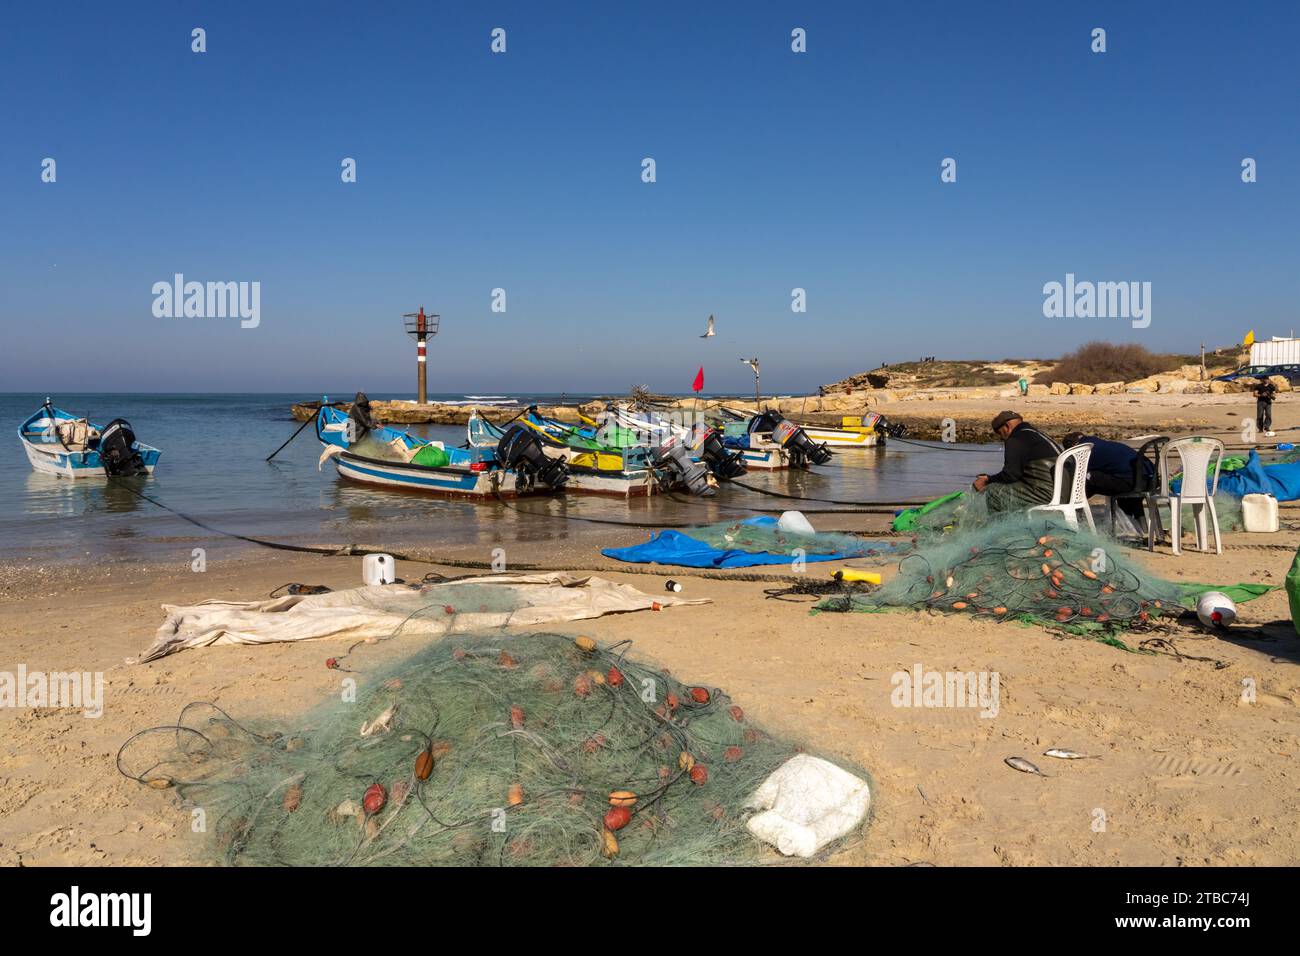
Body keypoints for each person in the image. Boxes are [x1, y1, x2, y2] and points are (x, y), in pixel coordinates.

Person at [971, 411, 1062, 514]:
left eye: (1000, 434)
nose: (1002, 438)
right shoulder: (1038, 435)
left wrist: (987, 481)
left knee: (993, 492)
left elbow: (1010, 475)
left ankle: (998, 527)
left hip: (1046, 495)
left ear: (1006, 426)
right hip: (1065, 493)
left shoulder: (1016, 438)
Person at [1062, 432, 1151, 528]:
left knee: (1087, 479)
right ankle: (1143, 530)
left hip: (1131, 483)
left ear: (1072, 447)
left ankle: (1074, 518)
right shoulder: (1098, 443)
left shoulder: (1083, 450)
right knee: (1098, 479)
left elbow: (1079, 475)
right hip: (1149, 480)